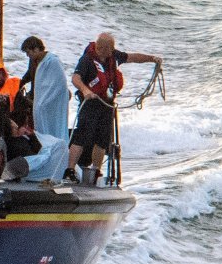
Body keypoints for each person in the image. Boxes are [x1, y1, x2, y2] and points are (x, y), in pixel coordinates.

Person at [65, 32, 162, 184]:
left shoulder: (113, 57)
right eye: (110, 48)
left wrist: (151, 59)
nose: (113, 51)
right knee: (81, 136)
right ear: (102, 48)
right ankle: (69, 170)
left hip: (107, 105)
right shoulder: (87, 60)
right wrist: (86, 90)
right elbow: (75, 78)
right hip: (90, 104)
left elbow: (132, 57)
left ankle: (96, 171)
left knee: (102, 139)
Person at [19, 36, 69, 142]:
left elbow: (59, 85)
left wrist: (44, 102)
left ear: (36, 49)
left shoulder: (53, 61)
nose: (28, 56)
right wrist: (19, 84)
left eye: (28, 52)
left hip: (51, 102)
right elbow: (30, 75)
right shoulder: (34, 61)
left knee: (53, 128)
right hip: (37, 98)